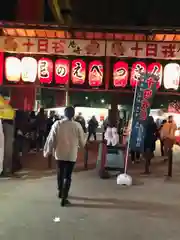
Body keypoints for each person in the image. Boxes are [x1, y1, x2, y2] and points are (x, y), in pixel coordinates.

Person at [44, 106, 86, 207]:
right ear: (73, 114)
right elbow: (82, 141)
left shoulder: (57, 124)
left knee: (60, 173)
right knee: (68, 176)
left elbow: (51, 139)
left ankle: (60, 191)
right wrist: (81, 144)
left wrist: (47, 151)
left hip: (59, 153)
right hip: (71, 154)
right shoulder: (77, 125)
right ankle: (64, 197)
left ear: (64, 113)